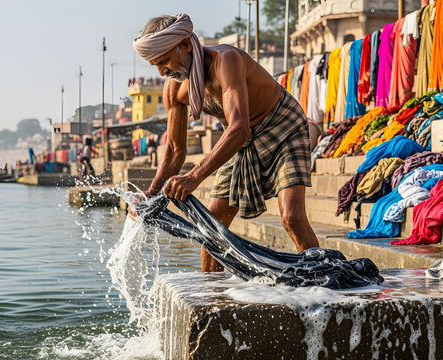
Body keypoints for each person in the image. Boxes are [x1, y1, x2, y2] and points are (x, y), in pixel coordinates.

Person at [131, 14, 319, 272]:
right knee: (213, 228)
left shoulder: (225, 61)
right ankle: (212, 299)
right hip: (241, 141)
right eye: (156, 65)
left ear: (186, 44)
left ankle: (323, 281)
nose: (162, 71)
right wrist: (150, 194)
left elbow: (239, 126)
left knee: (292, 217)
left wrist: (193, 177)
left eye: (164, 61)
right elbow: (175, 150)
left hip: (282, 126)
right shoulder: (174, 88)